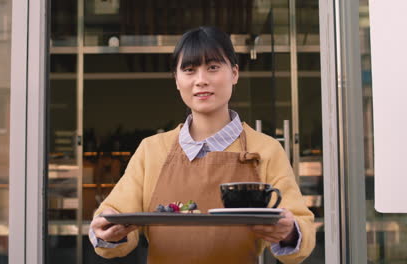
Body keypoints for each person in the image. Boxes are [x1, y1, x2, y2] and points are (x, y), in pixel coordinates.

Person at [89, 26, 315, 264]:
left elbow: (302, 231)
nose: (201, 80)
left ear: (235, 73)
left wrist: (290, 232)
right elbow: (114, 218)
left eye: (213, 68)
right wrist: (107, 230)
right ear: (176, 80)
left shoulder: (266, 150)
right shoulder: (151, 150)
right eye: (189, 70)